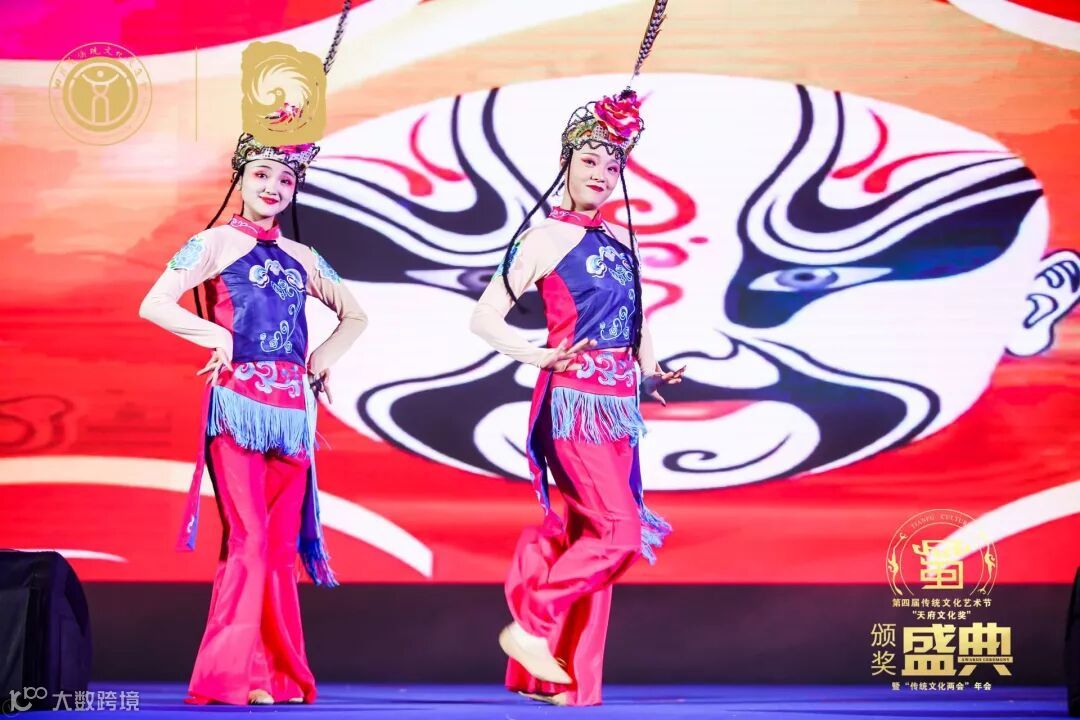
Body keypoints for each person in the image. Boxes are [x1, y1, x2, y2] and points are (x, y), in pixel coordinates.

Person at [470, 84, 685, 706]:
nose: (601, 174)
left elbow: (635, 318)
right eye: (590, 161)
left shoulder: (619, 243)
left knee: (589, 541)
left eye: (611, 166)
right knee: (619, 533)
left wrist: (650, 369)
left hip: (619, 410)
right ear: (565, 162)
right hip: (573, 406)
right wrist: (538, 354)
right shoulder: (544, 238)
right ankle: (532, 623)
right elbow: (483, 318)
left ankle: (563, 683)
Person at [139, 131, 367, 705]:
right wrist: (215, 335)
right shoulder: (212, 243)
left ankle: (273, 676)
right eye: (262, 175)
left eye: (285, 180)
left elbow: (356, 317)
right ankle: (227, 678)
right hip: (238, 411)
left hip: (292, 416)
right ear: (241, 178)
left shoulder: (303, 257)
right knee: (250, 539)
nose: (273, 187)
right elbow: (154, 302)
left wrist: (320, 360)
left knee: (279, 547)